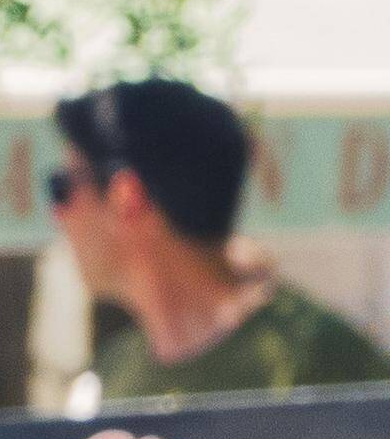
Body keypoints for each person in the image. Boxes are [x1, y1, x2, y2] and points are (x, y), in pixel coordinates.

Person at [50, 75, 390, 402]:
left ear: (126, 198)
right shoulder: (110, 379)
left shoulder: (322, 364)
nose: (56, 213)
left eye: (61, 188)